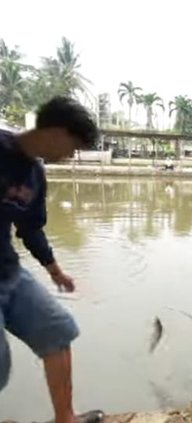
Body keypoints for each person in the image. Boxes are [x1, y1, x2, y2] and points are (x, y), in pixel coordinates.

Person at [0, 96, 104, 423]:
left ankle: (66, 418)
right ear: (57, 132)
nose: (70, 156)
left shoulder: (35, 175)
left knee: (58, 331)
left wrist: (56, 271)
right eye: (72, 147)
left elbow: (30, 229)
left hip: (8, 272)